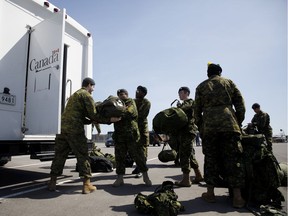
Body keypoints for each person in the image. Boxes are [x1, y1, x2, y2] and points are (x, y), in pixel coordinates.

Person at [48, 77, 120, 194]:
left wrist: (91, 121)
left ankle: (52, 182)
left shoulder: (75, 95)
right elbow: (94, 114)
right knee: (82, 156)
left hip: (62, 129)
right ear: (89, 85)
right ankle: (87, 185)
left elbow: (80, 115)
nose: (93, 90)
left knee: (59, 155)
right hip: (75, 130)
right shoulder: (86, 95)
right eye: (93, 87)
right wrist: (110, 120)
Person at [194, 62, 246, 208]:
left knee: (211, 159)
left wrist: (202, 126)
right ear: (220, 72)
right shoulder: (229, 83)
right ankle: (237, 197)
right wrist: (237, 121)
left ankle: (210, 194)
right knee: (233, 159)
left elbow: (196, 110)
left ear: (208, 73)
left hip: (210, 127)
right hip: (229, 124)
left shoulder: (201, 86)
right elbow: (240, 104)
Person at [112, 89, 152, 187]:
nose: (121, 96)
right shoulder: (115, 104)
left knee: (138, 156)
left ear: (126, 94)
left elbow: (131, 113)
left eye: (123, 94)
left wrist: (116, 113)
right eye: (119, 95)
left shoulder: (131, 102)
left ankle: (145, 176)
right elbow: (109, 114)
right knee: (119, 158)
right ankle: (120, 178)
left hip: (132, 135)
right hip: (119, 136)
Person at [174, 87, 203, 187]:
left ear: (186, 93)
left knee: (184, 154)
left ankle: (186, 180)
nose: (179, 95)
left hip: (187, 131)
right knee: (190, 154)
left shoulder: (190, 102)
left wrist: (177, 108)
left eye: (181, 93)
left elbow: (183, 109)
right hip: (185, 131)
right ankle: (198, 175)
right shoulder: (184, 104)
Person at [132, 85, 151, 178]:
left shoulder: (146, 102)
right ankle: (138, 166)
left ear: (143, 93)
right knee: (135, 149)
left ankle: (142, 169)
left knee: (143, 150)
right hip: (135, 129)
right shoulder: (133, 101)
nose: (136, 92)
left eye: (138, 91)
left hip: (142, 129)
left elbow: (142, 115)